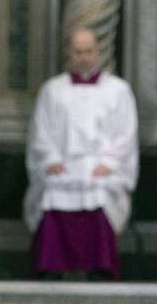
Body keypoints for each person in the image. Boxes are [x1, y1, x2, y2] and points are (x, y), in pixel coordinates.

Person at [23, 26, 139, 279]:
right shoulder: (53, 90)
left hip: (101, 165)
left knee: (99, 192)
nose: (84, 57)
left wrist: (109, 162)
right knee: (53, 190)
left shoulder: (118, 90)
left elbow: (125, 135)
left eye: (89, 51)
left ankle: (100, 267)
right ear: (70, 54)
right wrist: (51, 159)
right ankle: (50, 267)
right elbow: (40, 131)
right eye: (78, 52)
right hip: (63, 164)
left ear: (98, 52)